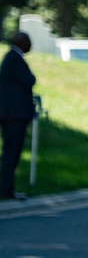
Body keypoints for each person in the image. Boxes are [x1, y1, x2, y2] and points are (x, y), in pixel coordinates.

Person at [0, 32, 36, 201]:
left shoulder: (12, 58)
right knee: (11, 153)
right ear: (20, 43)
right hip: (14, 116)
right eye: (27, 42)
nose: (30, 45)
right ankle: (6, 189)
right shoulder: (14, 59)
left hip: (13, 115)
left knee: (11, 152)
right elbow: (29, 80)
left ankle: (7, 187)